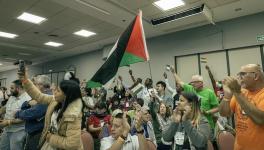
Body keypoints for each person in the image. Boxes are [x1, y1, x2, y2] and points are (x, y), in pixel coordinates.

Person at [19, 71, 83, 149]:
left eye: (58, 91)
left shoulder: (73, 114)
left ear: (66, 95)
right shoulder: (55, 101)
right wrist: (25, 80)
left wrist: (51, 138)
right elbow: (39, 96)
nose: (54, 92)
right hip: (50, 144)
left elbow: (72, 144)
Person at [219, 64, 264, 150]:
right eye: (238, 74)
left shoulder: (240, 93)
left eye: (242, 74)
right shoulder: (241, 92)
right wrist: (227, 96)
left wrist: (237, 92)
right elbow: (224, 113)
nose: (239, 78)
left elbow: (260, 120)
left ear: (256, 76)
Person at [15, 75, 51, 150]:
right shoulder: (39, 95)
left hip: (38, 132)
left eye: (35, 84)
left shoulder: (46, 96)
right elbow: (24, 106)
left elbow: (33, 113)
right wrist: (28, 103)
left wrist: (18, 114)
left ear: (42, 85)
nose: (33, 87)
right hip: (33, 131)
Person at [0, 80, 31, 150]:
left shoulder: (27, 99)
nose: (9, 90)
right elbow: (5, 108)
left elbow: (24, 118)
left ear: (18, 88)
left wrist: (8, 122)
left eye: (12, 88)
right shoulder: (12, 97)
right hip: (7, 129)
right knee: (2, 147)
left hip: (18, 131)